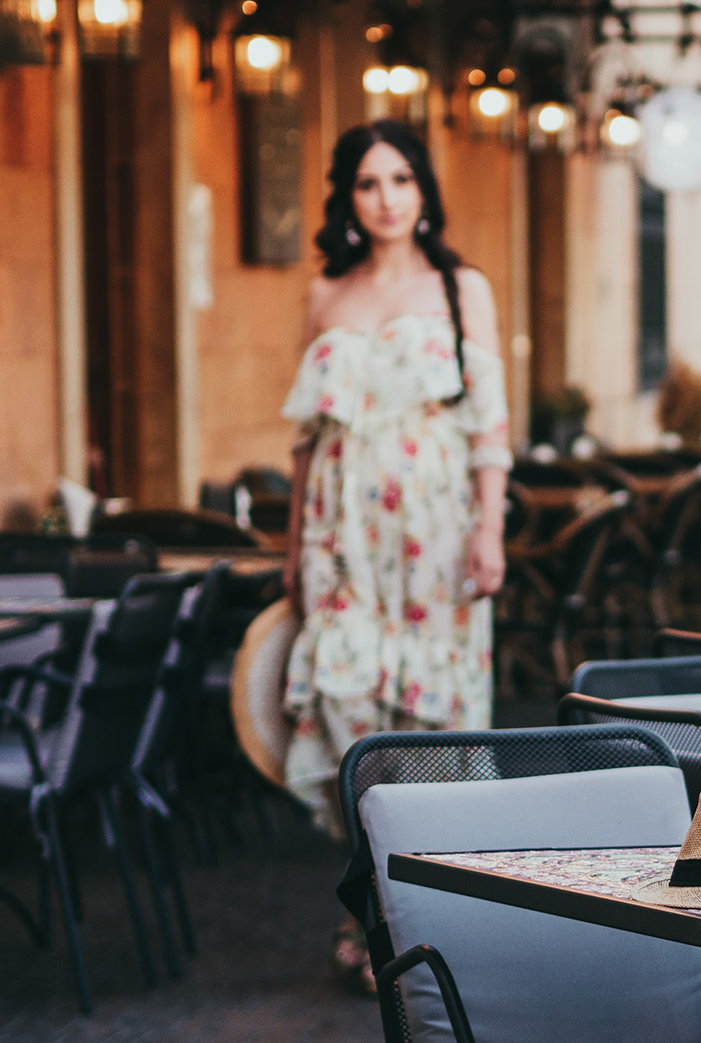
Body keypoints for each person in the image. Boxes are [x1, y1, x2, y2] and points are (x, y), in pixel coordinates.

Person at [279, 120, 512, 842]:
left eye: (401, 179)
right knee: (346, 697)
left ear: (424, 189)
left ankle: (429, 894)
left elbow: (490, 423)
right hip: (340, 532)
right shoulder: (325, 293)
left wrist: (490, 529)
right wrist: (292, 549)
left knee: (431, 711)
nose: (387, 199)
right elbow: (304, 440)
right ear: (347, 199)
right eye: (369, 183)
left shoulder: (460, 287)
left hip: (434, 529)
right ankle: (366, 894)